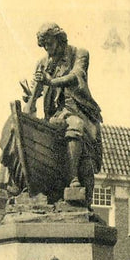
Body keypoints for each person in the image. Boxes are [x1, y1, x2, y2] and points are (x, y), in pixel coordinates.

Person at [24, 22, 103, 208]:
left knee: (75, 125)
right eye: (44, 46)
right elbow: (37, 90)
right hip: (55, 115)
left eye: (49, 44)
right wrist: (31, 99)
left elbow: (76, 75)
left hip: (79, 110)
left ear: (60, 40)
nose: (47, 49)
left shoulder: (79, 54)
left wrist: (51, 82)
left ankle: (73, 178)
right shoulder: (43, 63)